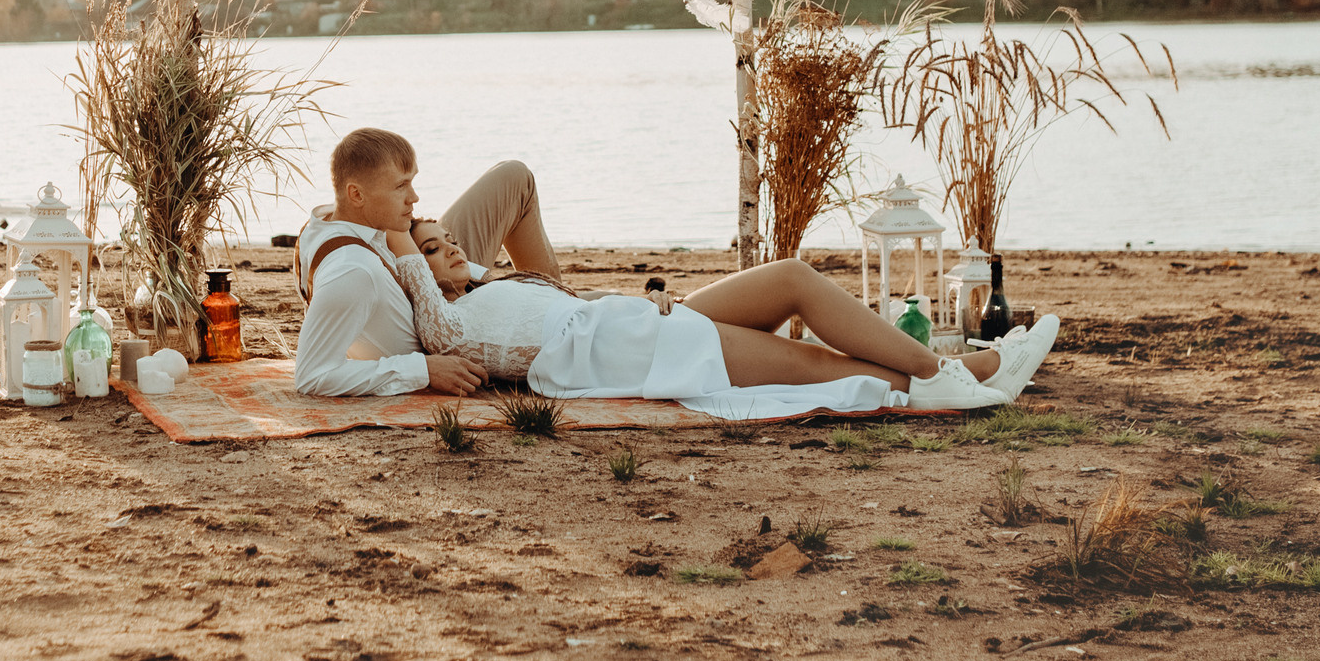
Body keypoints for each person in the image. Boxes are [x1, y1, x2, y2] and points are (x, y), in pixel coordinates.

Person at [394, 218, 1060, 418]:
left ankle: (954, 371)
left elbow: (563, 302)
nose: (447, 248)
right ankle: (962, 373)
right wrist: (400, 245)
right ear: (414, 271)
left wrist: (639, 297)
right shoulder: (453, 323)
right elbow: (432, 318)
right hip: (631, 351)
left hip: (638, 323)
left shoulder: (487, 286)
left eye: (449, 239)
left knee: (791, 277)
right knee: (811, 364)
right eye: (430, 249)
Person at [291, 127, 553, 397]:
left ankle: (551, 296)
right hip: (449, 324)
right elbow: (312, 376)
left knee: (514, 176)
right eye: (400, 186)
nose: (414, 197)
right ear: (356, 195)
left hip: (427, 278)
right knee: (570, 313)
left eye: (411, 182)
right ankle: (554, 298)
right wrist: (425, 370)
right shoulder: (354, 272)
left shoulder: (325, 220)